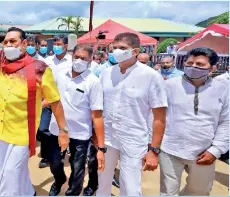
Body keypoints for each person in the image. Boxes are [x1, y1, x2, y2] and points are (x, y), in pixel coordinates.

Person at [0, 6, 68, 196]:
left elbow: (55, 101)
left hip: (22, 132)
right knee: (7, 168)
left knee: (10, 172)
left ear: (24, 44)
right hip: (1, 129)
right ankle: (27, 191)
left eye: (13, 41)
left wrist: (63, 131)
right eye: (6, 41)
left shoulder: (40, 68)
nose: (8, 45)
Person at [97, 32, 167, 196]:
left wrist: (154, 150)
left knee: (130, 186)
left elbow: (160, 117)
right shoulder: (106, 74)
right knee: (102, 180)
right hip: (107, 137)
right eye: (115, 48)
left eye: (123, 48)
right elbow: (99, 107)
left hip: (133, 138)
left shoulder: (151, 76)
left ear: (135, 51)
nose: (117, 51)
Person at [160, 47, 229, 196]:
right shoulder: (169, 85)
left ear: (212, 68)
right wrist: (153, 146)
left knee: (199, 192)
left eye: (200, 64)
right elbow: (157, 116)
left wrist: (216, 150)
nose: (193, 67)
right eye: (190, 63)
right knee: (167, 192)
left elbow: (226, 122)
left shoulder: (224, 89)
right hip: (170, 148)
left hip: (204, 151)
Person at [47, 43, 106, 196]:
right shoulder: (60, 75)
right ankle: (59, 180)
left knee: (77, 167)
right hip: (56, 128)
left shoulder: (93, 82)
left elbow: (97, 115)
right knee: (54, 162)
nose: (79, 60)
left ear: (91, 60)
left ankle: (72, 193)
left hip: (80, 133)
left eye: (83, 58)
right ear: (72, 56)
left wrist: (100, 146)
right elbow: (53, 98)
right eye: (77, 57)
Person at [40, 35, 73, 168]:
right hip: (48, 100)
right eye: (55, 44)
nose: (56, 47)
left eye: (59, 44)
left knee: (62, 128)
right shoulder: (47, 60)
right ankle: (46, 155)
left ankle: (60, 154)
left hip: (63, 102)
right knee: (43, 128)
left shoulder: (71, 61)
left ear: (65, 46)